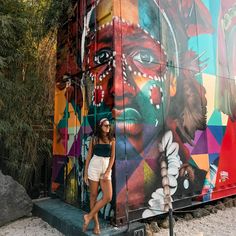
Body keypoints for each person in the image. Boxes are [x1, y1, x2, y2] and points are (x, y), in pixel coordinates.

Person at [83, 118, 115, 234]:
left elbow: (112, 158)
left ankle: (88, 216)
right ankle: (96, 225)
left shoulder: (112, 139)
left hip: (105, 168)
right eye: (106, 126)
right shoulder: (94, 139)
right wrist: (85, 173)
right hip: (94, 167)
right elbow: (89, 156)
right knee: (93, 195)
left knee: (108, 196)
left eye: (109, 126)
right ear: (100, 126)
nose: (108, 128)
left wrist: (107, 171)